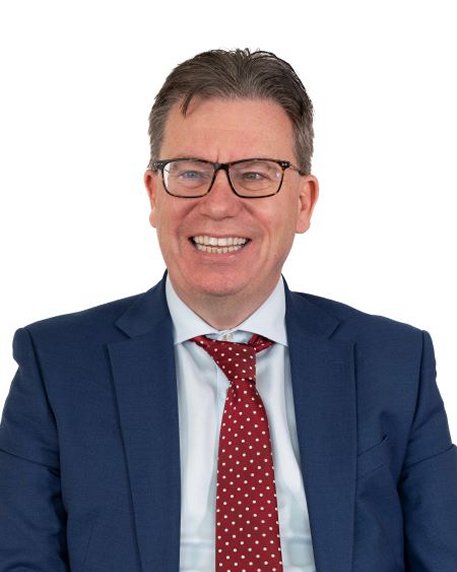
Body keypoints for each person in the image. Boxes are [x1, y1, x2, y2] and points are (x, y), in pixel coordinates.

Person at [0, 48, 456, 572]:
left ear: (303, 202)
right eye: (190, 173)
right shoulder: (56, 365)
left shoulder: (396, 363)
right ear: (153, 193)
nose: (217, 204)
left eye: (255, 175)